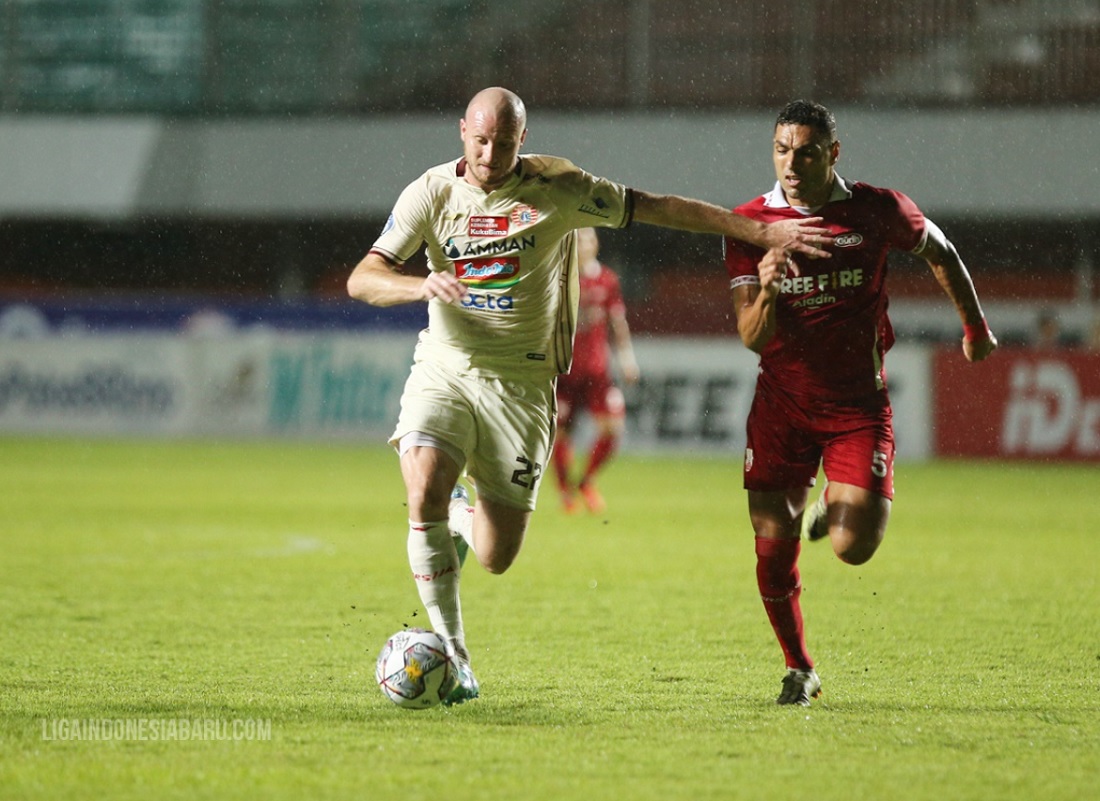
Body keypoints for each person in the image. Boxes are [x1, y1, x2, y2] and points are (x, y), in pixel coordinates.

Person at [346, 86, 833, 706]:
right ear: (461, 132)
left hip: (522, 387)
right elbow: (365, 276)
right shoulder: (431, 192)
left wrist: (757, 232)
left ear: (524, 138)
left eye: (503, 140)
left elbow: (656, 207)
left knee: (495, 555)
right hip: (445, 366)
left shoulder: (560, 188)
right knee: (422, 485)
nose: (490, 152)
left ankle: (463, 511)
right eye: (479, 139)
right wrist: (419, 288)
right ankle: (455, 655)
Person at [723, 99, 998, 707]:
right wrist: (768, 288)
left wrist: (975, 327)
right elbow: (752, 338)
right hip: (781, 408)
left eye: (808, 152)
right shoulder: (749, 224)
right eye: (782, 150)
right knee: (772, 543)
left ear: (834, 154)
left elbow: (942, 252)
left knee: (853, 548)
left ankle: (832, 501)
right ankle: (799, 666)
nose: (792, 164)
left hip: (856, 407)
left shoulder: (877, 211)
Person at [551, 227, 639, 514]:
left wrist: (626, 358)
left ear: (596, 243)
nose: (583, 244)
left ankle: (586, 481)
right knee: (561, 433)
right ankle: (566, 492)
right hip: (564, 371)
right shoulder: (558, 277)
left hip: (597, 370)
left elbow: (618, 322)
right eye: (577, 240)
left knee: (613, 428)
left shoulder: (607, 279)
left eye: (588, 238)